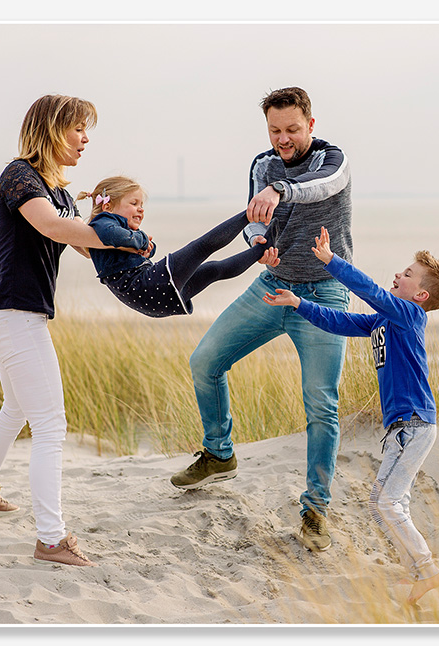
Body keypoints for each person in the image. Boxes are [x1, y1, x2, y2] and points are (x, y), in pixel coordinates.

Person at [170, 87, 353, 553]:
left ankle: (316, 509)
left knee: (321, 405)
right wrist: (258, 245)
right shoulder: (263, 165)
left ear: (311, 124)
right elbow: (254, 218)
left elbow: (319, 189)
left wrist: (281, 190)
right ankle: (219, 452)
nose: (283, 139)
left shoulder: (333, 160)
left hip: (325, 296)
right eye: (275, 130)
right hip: (272, 287)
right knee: (205, 361)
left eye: (292, 129)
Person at [0, 94, 118, 567]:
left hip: (9, 315)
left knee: (16, 409)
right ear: (52, 129)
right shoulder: (19, 176)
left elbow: (84, 245)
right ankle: (51, 539)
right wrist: (112, 235)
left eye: (87, 130)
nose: (85, 139)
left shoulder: (60, 192)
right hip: (13, 316)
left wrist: (115, 226)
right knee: (51, 425)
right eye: (78, 130)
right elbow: (52, 227)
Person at [264, 226, 439, 603]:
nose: (398, 274)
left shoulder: (409, 316)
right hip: (404, 428)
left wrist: (332, 262)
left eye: (408, 273)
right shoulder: (384, 321)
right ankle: (418, 574)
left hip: (414, 425)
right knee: (387, 503)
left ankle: (427, 570)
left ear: (420, 294)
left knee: (385, 503)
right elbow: (342, 321)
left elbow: (370, 291)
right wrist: (298, 304)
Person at [75, 176, 279, 318]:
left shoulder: (118, 231)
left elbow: (145, 250)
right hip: (147, 286)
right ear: (108, 206)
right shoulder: (103, 221)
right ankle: (251, 213)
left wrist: (146, 246)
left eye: (142, 204)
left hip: (151, 297)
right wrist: (142, 240)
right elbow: (115, 235)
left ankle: (261, 249)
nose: (140, 209)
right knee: (202, 247)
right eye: (134, 203)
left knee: (214, 270)